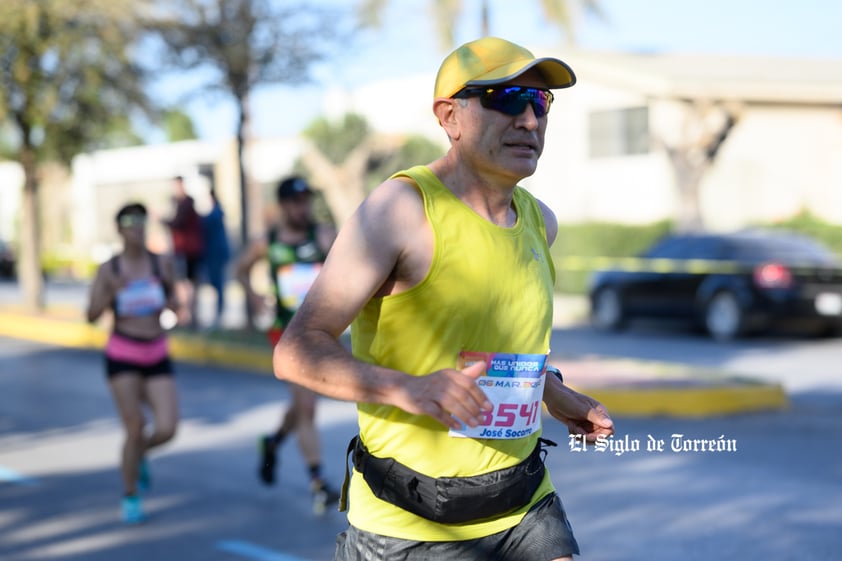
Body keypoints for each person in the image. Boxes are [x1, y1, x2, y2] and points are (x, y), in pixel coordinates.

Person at [272, 37, 615, 560]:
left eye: (540, 102)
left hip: (522, 502)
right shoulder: (401, 210)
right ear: (450, 116)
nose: (528, 119)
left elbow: (488, 352)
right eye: (507, 97)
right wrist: (409, 389)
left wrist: (553, 392)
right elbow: (296, 350)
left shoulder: (539, 223)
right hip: (409, 523)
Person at [236, 175, 340, 513]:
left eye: (306, 200)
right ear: (282, 206)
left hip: (321, 330)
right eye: (296, 202)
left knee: (300, 405)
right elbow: (239, 270)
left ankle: (273, 441)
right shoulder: (267, 242)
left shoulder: (322, 236)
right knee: (307, 406)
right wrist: (254, 299)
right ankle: (318, 482)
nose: (303, 207)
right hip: (286, 333)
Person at [86, 203, 181, 524]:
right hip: (122, 353)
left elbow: (175, 304)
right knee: (135, 427)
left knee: (167, 428)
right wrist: (109, 293)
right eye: (129, 222)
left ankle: (137, 456)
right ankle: (130, 495)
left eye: (141, 221)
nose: (137, 228)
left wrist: (171, 303)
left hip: (156, 350)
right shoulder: (110, 269)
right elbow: (91, 315)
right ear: (119, 229)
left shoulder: (160, 263)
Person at [163, 176, 204, 328]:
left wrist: (161, 219)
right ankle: (188, 316)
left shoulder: (186, 203)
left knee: (185, 284)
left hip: (187, 249)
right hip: (186, 249)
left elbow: (177, 222)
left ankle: (187, 316)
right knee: (187, 283)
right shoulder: (182, 203)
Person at [201, 188, 231, 329]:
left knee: (218, 284)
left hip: (216, 253)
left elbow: (207, 223)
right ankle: (219, 312)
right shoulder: (216, 212)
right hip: (214, 252)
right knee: (216, 283)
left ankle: (220, 313)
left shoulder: (216, 213)